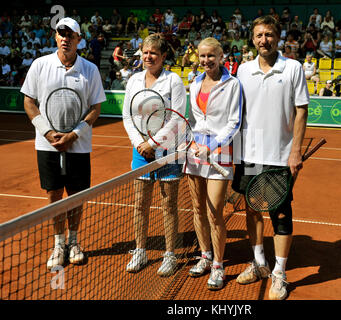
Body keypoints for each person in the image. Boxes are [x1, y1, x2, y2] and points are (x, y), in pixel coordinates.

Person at [233, 15, 309, 300]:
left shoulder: (293, 68)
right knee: (252, 210)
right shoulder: (242, 70)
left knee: (280, 214)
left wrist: (296, 150)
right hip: (249, 153)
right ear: (252, 39)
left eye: (269, 35)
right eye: (259, 35)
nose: (264, 40)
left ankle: (279, 273)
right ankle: (259, 262)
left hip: (279, 156)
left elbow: (301, 111)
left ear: (278, 37)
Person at [21, 17, 106, 270]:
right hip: (47, 144)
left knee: (76, 196)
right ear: (56, 38)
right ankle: (59, 244)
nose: (66, 38)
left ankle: (74, 241)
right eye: (61, 34)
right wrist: (47, 132)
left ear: (79, 39)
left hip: (78, 145)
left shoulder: (90, 69)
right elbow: (29, 101)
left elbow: (95, 108)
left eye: (71, 35)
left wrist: (73, 134)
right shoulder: (39, 65)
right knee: (54, 194)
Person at [122, 33, 187, 277]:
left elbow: (176, 117)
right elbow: (128, 117)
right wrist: (141, 143)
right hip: (140, 152)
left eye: (154, 53)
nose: (149, 57)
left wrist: (153, 143)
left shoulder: (173, 81)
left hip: (168, 151)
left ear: (163, 56)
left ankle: (170, 254)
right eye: (146, 52)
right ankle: (140, 250)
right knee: (140, 204)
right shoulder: (134, 81)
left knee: (169, 205)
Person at [186, 37, 242, 290]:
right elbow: (193, 120)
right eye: (202, 56)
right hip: (195, 151)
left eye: (211, 56)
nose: (206, 60)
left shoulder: (233, 84)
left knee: (214, 212)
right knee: (197, 209)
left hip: (220, 152)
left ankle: (219, 265)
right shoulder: (194, 83)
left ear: (221, 57)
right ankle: (205, 256)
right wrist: (192, 143)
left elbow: (234, 122)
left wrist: (213, 146)